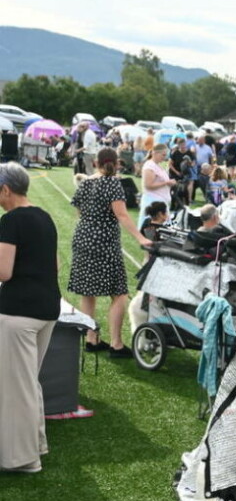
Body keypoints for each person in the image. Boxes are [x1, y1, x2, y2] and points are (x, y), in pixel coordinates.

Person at [0, 164, 61, 473]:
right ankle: (35, 445)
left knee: (17, 387)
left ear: (6, 190)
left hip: (19, 312)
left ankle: (23, 459)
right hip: (47, 308)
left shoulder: (10, 221)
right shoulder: (45, 217)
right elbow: (55, 265)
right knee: (27, 382)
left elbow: (3, 271)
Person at [69, 148, 152, 358]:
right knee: (119, 293)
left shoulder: (86, 181)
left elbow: (78, 210)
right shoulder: (113, 183)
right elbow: (122, 215)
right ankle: (116, 344)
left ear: (96, 162)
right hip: (104, 243)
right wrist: (141, 238)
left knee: (88, 292)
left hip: (82, 239)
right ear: (116, 163)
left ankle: (91, 339)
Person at [139, 144, 173, 228]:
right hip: (153, 201)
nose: (164, 158)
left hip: (161, 201)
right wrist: (166, 183)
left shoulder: (157, 166)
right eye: (163, 155)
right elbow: (148, 185)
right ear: (155, 153)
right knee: (150, 228)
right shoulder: (149, 166)